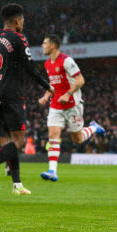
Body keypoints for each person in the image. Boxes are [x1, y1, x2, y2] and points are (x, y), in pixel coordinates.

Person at [0, 3, 54, 195]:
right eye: (23, 20)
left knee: (11, 140)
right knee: (18, 141)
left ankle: (17, 185)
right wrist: (47, 85)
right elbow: (30, 67)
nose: (23, 23)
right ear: (18, 20)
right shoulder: (19, 38)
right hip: (12, 95)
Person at [38, 34, 104, 182]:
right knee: (53, 135)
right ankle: (52, 171)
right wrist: (46, 96)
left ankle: (94, 128)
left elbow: (80, 80)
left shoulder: (66, 61)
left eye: (45, 43)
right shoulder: (47, 64)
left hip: (72, 104)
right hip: (56, 105)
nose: (42, 45)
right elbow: (53, 84)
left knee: (78, 139)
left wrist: (68, 94)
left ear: (53, 46)